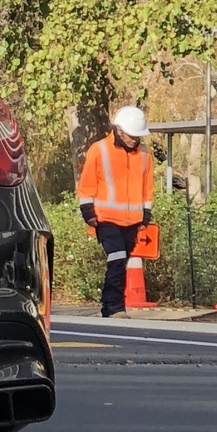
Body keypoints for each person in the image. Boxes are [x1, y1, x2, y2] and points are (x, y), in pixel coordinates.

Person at [76, 105, 155, 317]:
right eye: (131, 135)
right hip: (105, 219)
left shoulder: (145, 155)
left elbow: (147, 186)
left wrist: (146, 213)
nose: (134, 140)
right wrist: (88, 211)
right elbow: (87, 183)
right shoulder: (100, 150)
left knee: (121, 263)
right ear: (118, 130)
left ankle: (108, 306)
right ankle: (115, 308)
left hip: (132, 221)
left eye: (137, 136)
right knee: (117, 258)